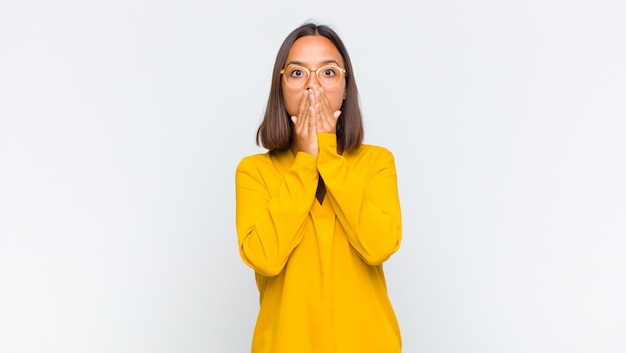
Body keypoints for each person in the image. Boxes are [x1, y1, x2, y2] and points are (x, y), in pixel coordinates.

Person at [235, 22, 402, 353]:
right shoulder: (254, 171)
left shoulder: (377, 163)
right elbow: (265, 259)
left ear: (345, 87)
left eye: (328, 73)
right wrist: (306, 162)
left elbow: (379, 245)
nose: (313, 86)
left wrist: (327, 154)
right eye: (298, 74)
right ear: (280, 88)